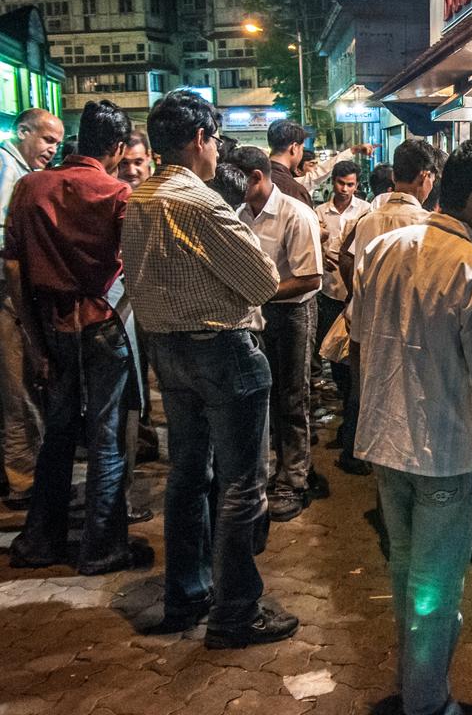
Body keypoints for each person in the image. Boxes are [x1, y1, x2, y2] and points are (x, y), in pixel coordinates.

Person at [349, 139, 472, 715]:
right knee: (436, 588)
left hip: (384, 442)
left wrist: (375, 409)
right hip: (443, 453)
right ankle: (426, 704)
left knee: (406, 574)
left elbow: (357, 347)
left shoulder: (380, 249)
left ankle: (415, 684)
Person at [122, 89, 298, 648]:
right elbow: (264, 282)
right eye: (216, 141)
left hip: (168, 353)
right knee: (242, 485)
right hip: (222, 352)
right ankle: (235, 612)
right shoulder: (198, 202)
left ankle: (187, 593)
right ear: (199, 139)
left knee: (187, 474)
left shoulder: (141, 196)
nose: (218, 153)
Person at [4, 100, 150, 574]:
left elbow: (14, 267)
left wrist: (33, 335)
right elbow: (137, 268)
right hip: (103, 322)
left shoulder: (28, 187)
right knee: (107, 437)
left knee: (58, 433)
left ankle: (40, 541)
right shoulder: (116, 195)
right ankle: (102, 548)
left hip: (50, 323)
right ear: (116, 147)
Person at [233, 145, 325, 522]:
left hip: (292, 314)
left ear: (257, 177)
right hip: (254, 316)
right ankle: (270, 470)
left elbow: (310, 278)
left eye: (239, 182)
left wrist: (260, 291)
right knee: (261, 395)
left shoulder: (294, 214)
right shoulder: (239, 214)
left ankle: (293, 479)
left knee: (292, 396)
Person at [338, 139, 440, 475]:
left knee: (366, 393)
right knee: (403, 405)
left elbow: (346, 256)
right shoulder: (425, 223)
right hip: (409, 329)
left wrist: (357, 294)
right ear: (425, 176)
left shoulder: (368, 218)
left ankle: (369, 461)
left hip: (364, 324)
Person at [0, 108, 62, 508]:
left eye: (56, 142)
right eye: (46, 140)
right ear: (23, 132)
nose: (52, 150)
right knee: (17, 391)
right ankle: (25, 482)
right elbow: (9, 252)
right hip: (7, 299)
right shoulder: (10, 174)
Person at [116, 129, 157, 525]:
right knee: (129, 402)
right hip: (122, 316)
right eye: (124, 163)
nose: (130, 170)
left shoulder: (157, 201)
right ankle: (121, 493)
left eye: (137, 162)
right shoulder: (109, 201)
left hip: (162, 315)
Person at [314, 160, 370, 449]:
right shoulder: (318, 213)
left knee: (352, 364)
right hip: (329, 294)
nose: (345, 189)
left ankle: (351, 426)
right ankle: (348, 423)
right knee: (333, 359)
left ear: (357, 185)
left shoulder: (365, 211)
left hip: (354, 298)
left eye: (350, 184)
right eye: (340, 183)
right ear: (332, 182)